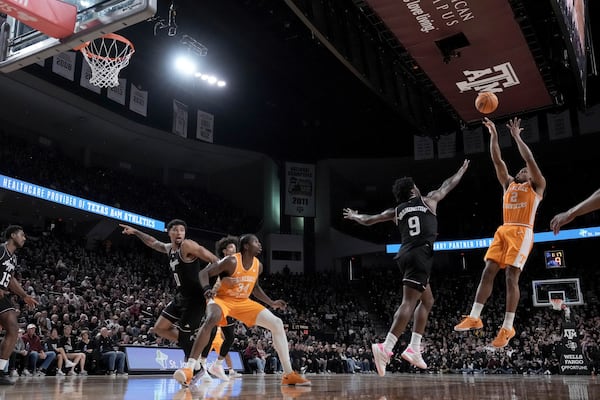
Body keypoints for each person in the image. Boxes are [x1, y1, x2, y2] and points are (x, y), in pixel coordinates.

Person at [343, 160, 470, 376]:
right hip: (419, 254)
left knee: (427, 300)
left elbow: (369, 220)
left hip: (409, 254)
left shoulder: (396, 210)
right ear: (413, 190)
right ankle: (387, 346)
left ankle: (414, 347)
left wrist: (355, 216)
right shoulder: (429, 201)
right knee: (409, 302)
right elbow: (447, 185)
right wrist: (460, 171)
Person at [454, 117, 546, 348]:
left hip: (522, 232)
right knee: (488, 271)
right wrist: (494, 134)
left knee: (510, 277)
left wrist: (516, 137)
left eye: (527, 171)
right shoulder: (508, 184)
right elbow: (497, 159)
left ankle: (507, 326)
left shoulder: (537, 186)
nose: (524, 170)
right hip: (503, 230)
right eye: (522, 170)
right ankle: (475, 316)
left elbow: (529, 158)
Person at [173, 234, 310, 386]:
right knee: (212, 320)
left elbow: (255, 288)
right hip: (221, 299)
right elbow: (203, 273)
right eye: (256, 242)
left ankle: (288, 374)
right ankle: (190, 368)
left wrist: (271, 302)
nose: (260, 244)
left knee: (277, 323)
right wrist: (206, 289)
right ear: (246, 246)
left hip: (243, 302)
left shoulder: (258, 265)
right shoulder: (231, 261)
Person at [119, 220, 219, 366]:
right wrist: (135, 232)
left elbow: (215, 260)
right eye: (175, 230)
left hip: (195, 298)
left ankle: (195, 365)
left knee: (185, 338)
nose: (179, 233)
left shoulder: (188, 245)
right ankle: (194, 347)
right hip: (181, 296)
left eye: (182, 230)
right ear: (168, 232)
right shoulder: (169, 248)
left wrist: (210, 283)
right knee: (159, 328)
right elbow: (153, 242)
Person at [0, 225, 38, 384]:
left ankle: (0, 370)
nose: (24, 238)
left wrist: (24, 295)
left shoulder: (13, 258)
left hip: (1, 294)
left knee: (13, 329)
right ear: (13, 235)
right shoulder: (1, 250)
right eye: (22, 235)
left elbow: (11, 279)